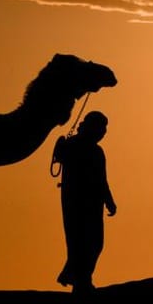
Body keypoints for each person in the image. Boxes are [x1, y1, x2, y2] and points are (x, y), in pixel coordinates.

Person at [55, 111, 117, 294]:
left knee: (93, 243)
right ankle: (81, 282)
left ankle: (80, 280)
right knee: (81, 243)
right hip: (78, 203)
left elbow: (101, 179)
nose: (103, 132)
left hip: (89, 203)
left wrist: (108, 200)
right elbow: (99, 179)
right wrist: (109, 201)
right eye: (101, 128)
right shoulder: (75, 146)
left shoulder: (94, 150)